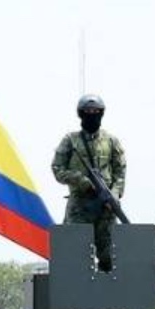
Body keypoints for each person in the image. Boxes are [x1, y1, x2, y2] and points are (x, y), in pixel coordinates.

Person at [51, 94, 127, 272]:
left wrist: (114, 195)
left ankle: (109, 297)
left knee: (111, 258)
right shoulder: (70, 141)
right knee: (75, 256)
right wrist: (81, 181)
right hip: (80, 206)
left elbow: (120, 171)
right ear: (81, 114)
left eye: (96, 112)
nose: (92, 115)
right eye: (87, 112)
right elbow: (57, 169)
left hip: (106, 208)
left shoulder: (111, 141)